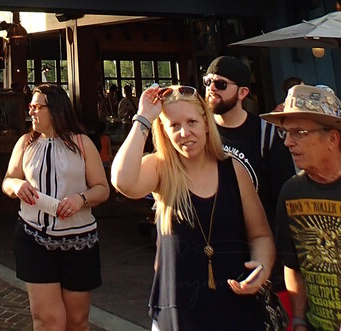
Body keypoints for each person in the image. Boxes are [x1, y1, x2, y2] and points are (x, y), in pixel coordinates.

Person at [111, 83, 274, 331]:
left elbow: (261, 235)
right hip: (178, 312)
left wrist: (262, 266)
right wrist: (143, 118)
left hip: (236, 307)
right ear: (164, 132)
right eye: (174, 126)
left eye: (192, 122)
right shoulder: (160, 168)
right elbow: (122, 180)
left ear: (206, 123)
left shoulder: (234, 170)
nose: (185, 132)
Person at [2, 83, 109, 331]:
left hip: (78, 241)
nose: (31, 111)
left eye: (36, 107)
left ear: (55, 109)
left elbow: (102, 189)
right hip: (33, 238)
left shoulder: (82, 143)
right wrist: (16, 185)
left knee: (77, 321)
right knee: (46, 320)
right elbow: (8, 180)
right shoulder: (25, 143)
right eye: (30, 106)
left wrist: (81, 199)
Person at [262, 83, 341, 331]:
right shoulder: (291, 192)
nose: (287, 142)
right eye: (285, 133)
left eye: (298, 133)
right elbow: (292, 264)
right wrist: (297, 320)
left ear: (332, 138)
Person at [202, 55, 294, 224]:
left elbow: (283, 197)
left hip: (256, 233)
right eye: (207, 82)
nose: (211, 88)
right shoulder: (199, 131)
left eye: (221, 84)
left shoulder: (267, 134)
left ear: (242, 92)